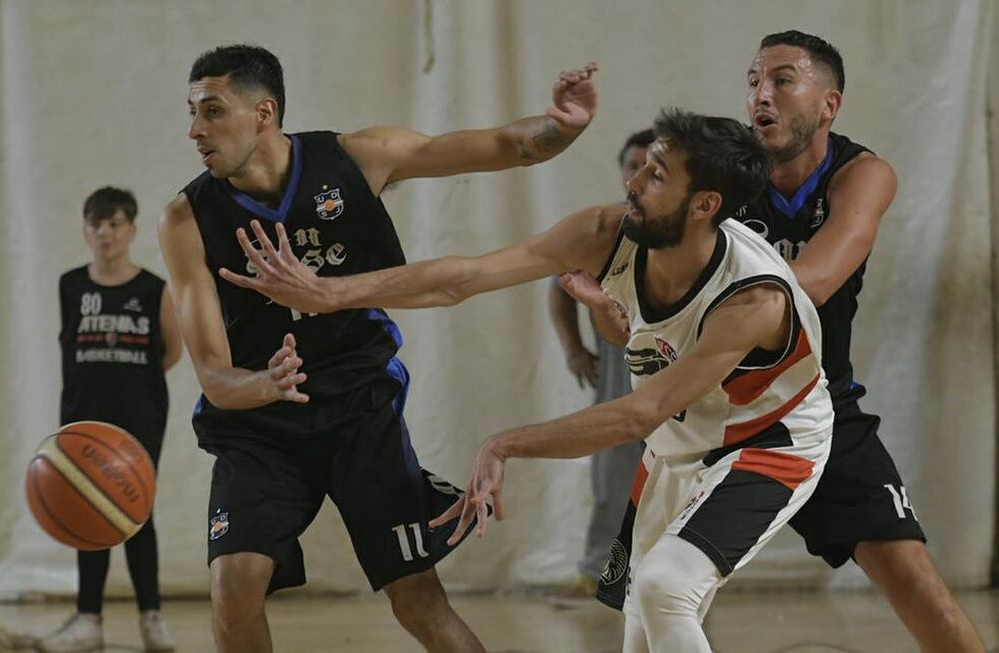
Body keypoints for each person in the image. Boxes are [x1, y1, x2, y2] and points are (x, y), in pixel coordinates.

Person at [220, 108, 835, 653]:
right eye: (642, 166)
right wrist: (328, 292)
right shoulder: (606, 234)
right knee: (642, 623)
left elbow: (635, 414)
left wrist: (505, 442)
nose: (633, 184)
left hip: (767, 446)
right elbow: (462, 277)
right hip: (680, 446)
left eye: (656, 176)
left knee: (665, 590)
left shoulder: (754, 297)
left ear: (705, 205)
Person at [157, 44, 598, 653]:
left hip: (359, 409)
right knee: (233, 590)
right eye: (191, 113)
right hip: (260, 429)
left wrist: (559, 127)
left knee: (417, 599)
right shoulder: (186, 218)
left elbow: (505, 145)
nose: (194, 130)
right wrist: (266, 384)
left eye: (211, 111)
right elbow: (211, 375)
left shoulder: (354, 159)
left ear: (264, 113)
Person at [569, 30, 987, 653]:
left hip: (814, 411)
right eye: (753, 81)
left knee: (926, 600)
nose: (761, 95)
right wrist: (612, 308)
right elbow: (635, 330)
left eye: (782, 80)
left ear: (829, 104)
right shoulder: (725, 183)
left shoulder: (862, 174)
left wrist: (699, 315)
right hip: (711, 424)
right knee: (656, 602)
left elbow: (807, 288)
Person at [42, 187, 182, 652]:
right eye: (96, 224)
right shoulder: (70, 285)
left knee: (136, 513)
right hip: (83, 417)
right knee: (85, 512)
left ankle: (152, 618)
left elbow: (172, 351)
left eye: (115, 223)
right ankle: (89, 620)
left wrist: (130, 383)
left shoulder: (152, 289)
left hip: (139, 418)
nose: (105, 232)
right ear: (85, 230)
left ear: (132, 230)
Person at [546, 129, 652, 601]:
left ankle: (675, 574)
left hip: (685, 373)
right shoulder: (608, 229)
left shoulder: (694, 226)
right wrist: (573, 348)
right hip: (618, 369)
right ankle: (598, 571)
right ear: (622, 171)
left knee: (686, 476)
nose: (642, 175)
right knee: (614, 475)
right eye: (634, 165)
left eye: (654, 166)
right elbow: (559, 284)